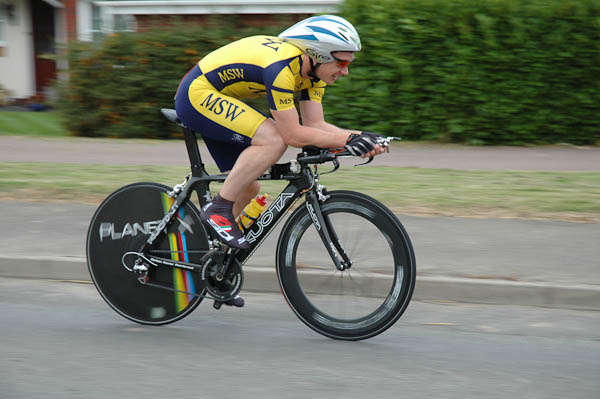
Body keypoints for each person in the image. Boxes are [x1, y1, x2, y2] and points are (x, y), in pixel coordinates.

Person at [175, 15, 386, 252]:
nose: (345, 72)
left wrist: (362, 137)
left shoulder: (313, 75)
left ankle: (208, 259)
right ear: (319, 54)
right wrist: (347, 139)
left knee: (248, 186)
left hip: (221, 97)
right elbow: (293, 135)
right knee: (273, 140)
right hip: (197, 94)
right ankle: (219, 209)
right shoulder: (282, 67)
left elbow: (315, 125)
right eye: (342, 63)